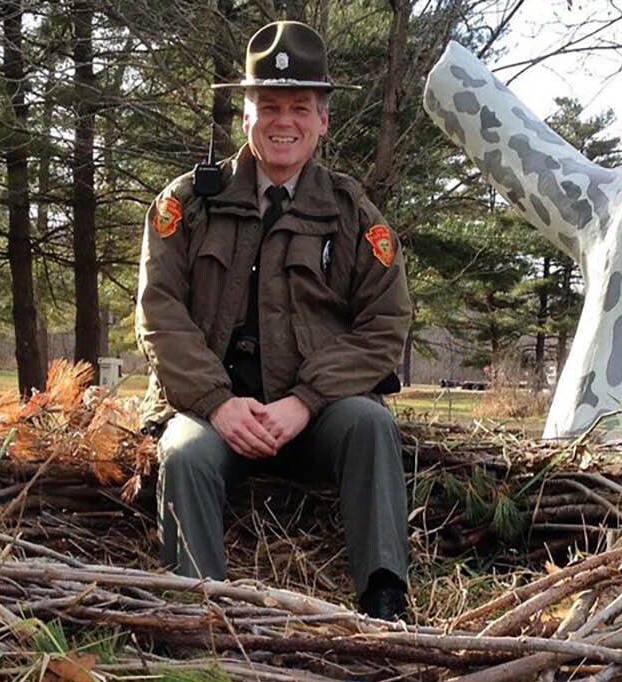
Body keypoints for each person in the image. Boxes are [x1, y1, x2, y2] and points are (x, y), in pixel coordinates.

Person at [134, 21, 413, 620]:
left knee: (370, 424)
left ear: (322, 121)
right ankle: (202, 614)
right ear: (245, 116)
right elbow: (158, 313)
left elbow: (386, 324)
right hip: (214, 416)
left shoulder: (350, 213)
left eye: (299, 108)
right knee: (181, 453)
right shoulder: (188, 204)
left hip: (315, 417)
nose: (283, 121)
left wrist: (307, 400)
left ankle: (386, 599)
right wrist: (216, 402)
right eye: (269, 106)